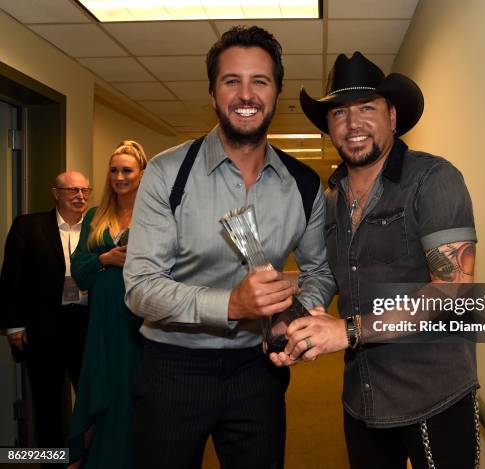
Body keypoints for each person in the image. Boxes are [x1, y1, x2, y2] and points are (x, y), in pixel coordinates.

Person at [123, 26, 335, 469]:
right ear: (213, 93)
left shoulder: (303, 185)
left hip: (257, 371)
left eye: (260, 81)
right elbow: (140, 286)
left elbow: (319, 270)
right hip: (172, 369)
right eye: (231, 80)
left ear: (276, 92)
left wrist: (292, 317)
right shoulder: (167, 174)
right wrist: (230, 304)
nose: (246, 93)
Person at [271, 52, 480, 469]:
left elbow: (453, 289)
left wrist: (347, 331)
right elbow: (331, 271)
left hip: (433, 396)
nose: (353, 124)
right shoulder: (330, 201)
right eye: (340, 114)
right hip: (363, 399)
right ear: (329, 127)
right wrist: (293, 313)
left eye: (367, 108)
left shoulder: (433, 180)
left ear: (393, 116)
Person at [66, 140, 148, 469]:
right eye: (114, 170)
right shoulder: (94, 217)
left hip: (138, 316)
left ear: (142, 174)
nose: (119, 176)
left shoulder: (155, 215)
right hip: (102, 317)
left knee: (133, 389)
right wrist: (106, 257)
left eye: (127, 170)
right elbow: (79, 268)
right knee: (101, 385)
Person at [0, 172, 91, 460]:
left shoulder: (97, 228)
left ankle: (86, 459)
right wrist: (14, 325)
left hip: (86, 325)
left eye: (85, 190)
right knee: (47, 402)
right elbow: (11, 278)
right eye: (72, 190)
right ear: (56, 193)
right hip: (44, 327)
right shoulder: (29, 226)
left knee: (90, 398)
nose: (80, 196)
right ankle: (52, 462)